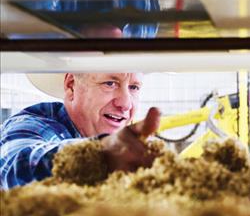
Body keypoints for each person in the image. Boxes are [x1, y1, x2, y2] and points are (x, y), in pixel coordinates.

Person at [0, 73, 161, 189]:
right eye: (110, 83)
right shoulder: (34, 125)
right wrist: (99, 154)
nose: (125, 104)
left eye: (134, 87)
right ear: (71, 85)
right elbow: (16, 168)